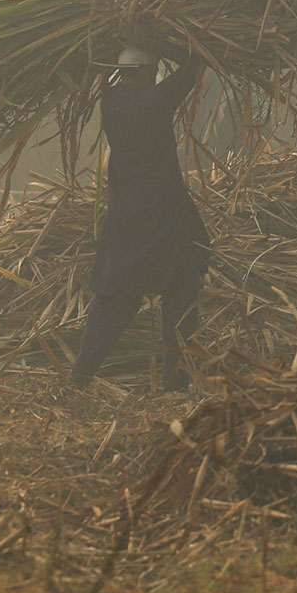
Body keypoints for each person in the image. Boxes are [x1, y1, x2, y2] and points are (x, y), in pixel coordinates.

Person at [71, 47, 208, 389]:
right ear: (148, 71)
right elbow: (186, 76)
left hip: (127, 221)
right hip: (164, 219)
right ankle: (175, 383)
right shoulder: (150, 103)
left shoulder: (111, 103)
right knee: (179, 296)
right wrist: (187, 47)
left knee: (114, 299)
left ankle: (81, 374)